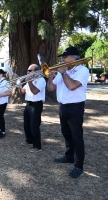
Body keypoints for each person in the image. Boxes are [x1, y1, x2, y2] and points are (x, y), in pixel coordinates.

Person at [47, 46, 89, 178]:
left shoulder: (83, 70)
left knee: (77, 136)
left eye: (65, 57)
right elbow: (51, 89)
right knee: (66, 133)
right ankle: (69, 156)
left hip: (75, 107)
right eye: (62, 57)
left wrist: (64, 73)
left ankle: (79, 166)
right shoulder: (61, 72)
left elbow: (72, 86)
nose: (63, 59)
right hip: (63, 107)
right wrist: (50, 77)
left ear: (74, 58)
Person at [19, 64, 46, 152]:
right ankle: (29, 140)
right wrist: (19, 85)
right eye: (28, 70)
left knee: (34, 125)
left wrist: (30, 82)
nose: (28, 72)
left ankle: (37, 146)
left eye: (30, 71)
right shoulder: (29, 81)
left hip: (37, 104)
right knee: (26, 123)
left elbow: (35, 91)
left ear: (37, 71)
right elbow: (23, 92)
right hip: (29, 103)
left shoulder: (41, 80)